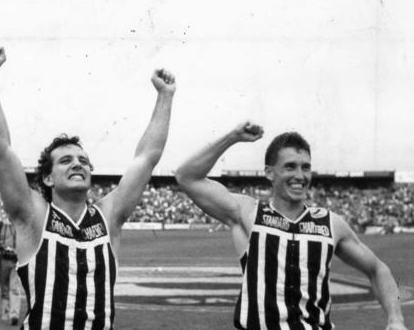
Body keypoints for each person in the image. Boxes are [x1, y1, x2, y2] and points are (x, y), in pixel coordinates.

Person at [0, 44, 176, 329]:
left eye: (83, 160)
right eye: (66, 160)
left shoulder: (107, 217)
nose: (77, 164)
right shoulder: (34, 216)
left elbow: (146, 158)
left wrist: (165, 97)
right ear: (47, 178)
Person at [174, 121, 408, 330]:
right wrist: (232, 137)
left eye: (305, 167)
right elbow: (187, 176)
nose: (300, 175)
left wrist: (395, 319)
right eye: (290, 166)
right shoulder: (248, 213)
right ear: (269, 173)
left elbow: (378, 269)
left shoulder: (330, 224)